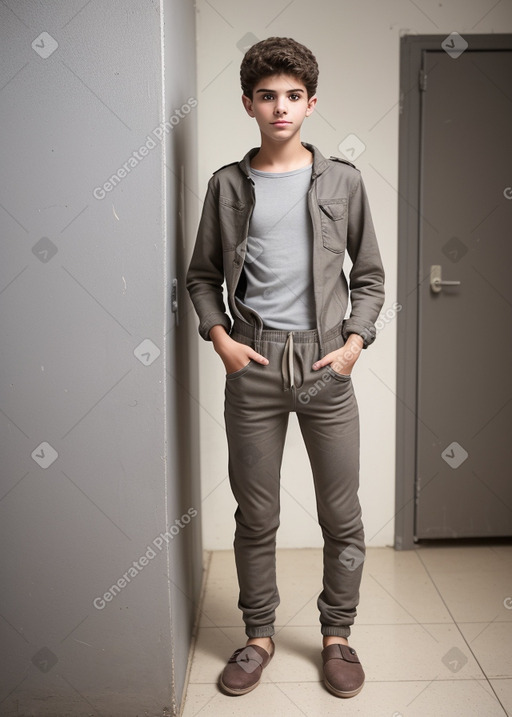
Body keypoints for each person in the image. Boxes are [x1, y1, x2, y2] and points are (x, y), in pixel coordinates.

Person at [186, 36, 385, 699]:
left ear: (311, 103)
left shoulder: (344, 182)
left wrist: (355, 342)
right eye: (267, 96)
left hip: (326, 362)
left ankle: (337, 635)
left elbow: (372, 279)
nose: (281, 107)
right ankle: (258, 635)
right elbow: (201, 277)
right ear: (248, 103)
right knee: (256, 514)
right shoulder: (226, 186)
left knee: (342, 513)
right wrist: (219, 337)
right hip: (254, 359)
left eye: (293, 96)